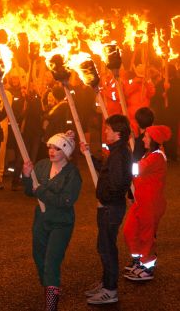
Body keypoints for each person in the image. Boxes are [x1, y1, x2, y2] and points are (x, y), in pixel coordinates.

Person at [22, 131, 82, 311]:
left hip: (61, 223)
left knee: (52, 261)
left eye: (57, 148)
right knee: (38, 256)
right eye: (50, 147)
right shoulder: (41, 166)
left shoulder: (72, 174)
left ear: (66, 152)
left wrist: (40, 191)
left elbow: (65, 200)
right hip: (41, 219)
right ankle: (50, 287)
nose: (52, 151)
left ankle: (51, 304)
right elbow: (28, 191)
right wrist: (26, 176)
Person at [82, 114, 132, 305]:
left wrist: (104, 200)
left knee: (107, 248)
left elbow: (118, 183)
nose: (105, 131)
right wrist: (89, 156)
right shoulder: (117, 151)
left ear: (117, 133)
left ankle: (110, 290)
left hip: (110, 208)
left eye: (108, 129)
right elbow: (106, 170)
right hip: (109, 206)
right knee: (104, 246)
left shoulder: (120, 154)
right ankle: (105, 283)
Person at [123, 125, 171, 281]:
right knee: (130, 230)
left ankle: (147, 267)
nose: (143, 139)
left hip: (151, 204)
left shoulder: (156, 156)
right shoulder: (150, 154)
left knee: (146, 236)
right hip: (142, 202)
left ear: (153, 140)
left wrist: (122, 157)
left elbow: (136, 170)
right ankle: (139, 260)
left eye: (146, 137)